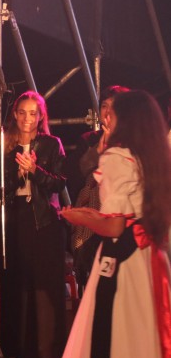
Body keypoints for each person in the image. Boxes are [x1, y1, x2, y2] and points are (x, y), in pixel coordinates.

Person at [36, 90, 171, 358]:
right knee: (151, 356)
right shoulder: (156, 156)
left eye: (110, 114)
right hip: (153, 263)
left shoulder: (116, 158)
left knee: (112, 355)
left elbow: (114, 224)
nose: (104, 120)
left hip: (122, 265)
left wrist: (78, 216)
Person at [0, 91, 68, 358]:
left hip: (44, 222)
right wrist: (17, 175)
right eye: (22, 112)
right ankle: (16, 353)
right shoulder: (5, 148)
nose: (27, 118)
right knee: (17, 286)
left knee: (44, 288)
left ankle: (47, 355)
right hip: (15, 221)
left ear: (40, 117)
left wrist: (35, 171)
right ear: (15, 114)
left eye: (33, 113)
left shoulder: (51, 144)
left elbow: (59, 183)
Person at [67, 86, 130, 290]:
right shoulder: (88, 140)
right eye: (104, 106)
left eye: (114, 106)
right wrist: (99, 149)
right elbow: (75, 177)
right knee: (93, 282)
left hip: (121, 222)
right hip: (92, 221)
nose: (108, 112)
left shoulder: (133, 141)